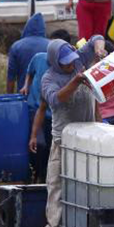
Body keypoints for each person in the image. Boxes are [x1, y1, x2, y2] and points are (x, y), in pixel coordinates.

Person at [37, 36, 105, 227]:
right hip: (63, 142)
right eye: (64, 61)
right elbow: (57, 99)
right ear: (55, 61)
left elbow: (96, 38)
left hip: (89, 140)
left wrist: (99, 48)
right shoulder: (48, 79)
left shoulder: (79, 60)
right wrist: (75, 82)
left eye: (71, 59)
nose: (70, 64)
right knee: (57, 186)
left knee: (88, 187)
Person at [24, 29, 72, 183]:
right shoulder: (47, 75)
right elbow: (42, 108)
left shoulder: (75, 71)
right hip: (48, 119)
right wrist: (33, 135)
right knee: (43, 148)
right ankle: (41, 177)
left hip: (67, 123)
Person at [6, 12, 48, 94]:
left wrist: (10, 98)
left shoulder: (16, 46)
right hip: (46, 98)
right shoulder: (51, 46)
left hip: (24, 95)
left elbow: (11, 78)